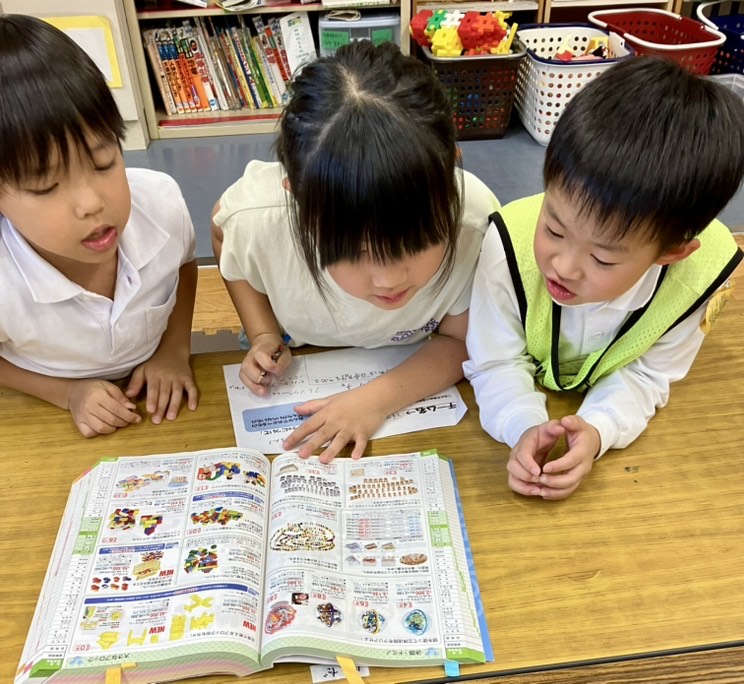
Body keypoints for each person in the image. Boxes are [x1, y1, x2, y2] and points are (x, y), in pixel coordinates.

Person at [465, 56, 744, 500]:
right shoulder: (508, 245)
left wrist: (598, 429)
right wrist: (522, 425)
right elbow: (494, 359)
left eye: (603, 259)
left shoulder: (700, 279)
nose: (563, 266)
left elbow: (648, 374)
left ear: (671, 253)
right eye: (554, 229)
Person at [212, 40, 499, 463]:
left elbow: (462, 341)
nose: (389, 279)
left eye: (416, 243)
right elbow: (223, 234)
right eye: (353, 252)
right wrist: (263, 334)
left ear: (449, 174)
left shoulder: (472, 224)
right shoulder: (257, 218)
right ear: (298, 201)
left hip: (408, 363)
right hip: (302, 354)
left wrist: (373, 402)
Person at [0, 15, 199, 437]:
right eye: (46, 186)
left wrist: (174, 350)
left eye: (103, 162)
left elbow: (183, 265)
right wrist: (66, 393)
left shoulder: (161, 204)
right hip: (42, 409)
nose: (92, 203)